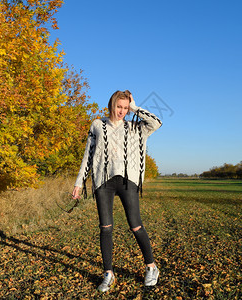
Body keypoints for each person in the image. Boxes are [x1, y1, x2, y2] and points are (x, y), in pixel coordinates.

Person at [72, 90, 162, 292]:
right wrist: (79, 183)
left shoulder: (136, 127)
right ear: (111, 105)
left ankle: (151, 267)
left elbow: (156, 122)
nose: (122, 111)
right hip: (103, 182)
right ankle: (108, 273)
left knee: (136, 225)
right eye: (119, 106)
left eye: (125, 107)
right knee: (105, 227)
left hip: (128, 181)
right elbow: (88, 155)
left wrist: (135, 107)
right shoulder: (97, 125)